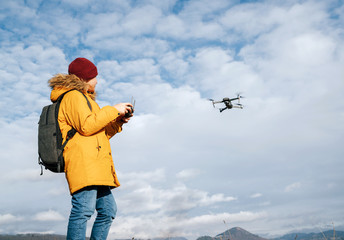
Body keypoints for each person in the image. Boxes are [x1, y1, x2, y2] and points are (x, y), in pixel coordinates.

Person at [48, 57, 133, 240]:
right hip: (84, 163)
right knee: (84, 210)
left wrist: (118, 121)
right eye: (94, 77)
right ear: (84, 78)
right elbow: (87, 126)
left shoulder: (87, 100)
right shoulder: (73, 96)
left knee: (108, 210)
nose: (97, 81)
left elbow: (98, 132)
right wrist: (113, 109)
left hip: (96, 166)